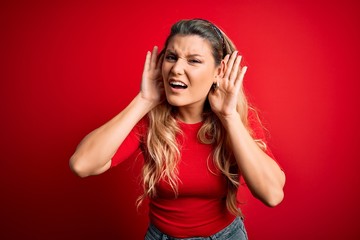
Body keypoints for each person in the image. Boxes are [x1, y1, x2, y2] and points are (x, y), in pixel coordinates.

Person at [69, 18, 285, 240]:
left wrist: (228, 117)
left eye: (193, 61)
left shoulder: (236, 118)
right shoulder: (150, 120)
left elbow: (272, 195)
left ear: (219, 71)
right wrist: (144, 100)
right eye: (171, 57)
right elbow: (82, 165)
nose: (177, 69)